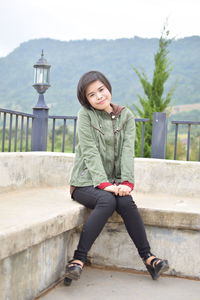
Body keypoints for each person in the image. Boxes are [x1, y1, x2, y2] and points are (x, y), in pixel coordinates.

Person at [65, 70, 169, 281]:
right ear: (86, 100)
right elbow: (89, 151)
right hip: (84, 182)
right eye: (92, 95)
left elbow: (127, 152)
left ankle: (149, 259)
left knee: (126, 202)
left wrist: (127, 183)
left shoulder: (126, 116)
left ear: (108, 87)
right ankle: (78, 259)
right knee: (107, 200)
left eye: (101, 90)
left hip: (112, 183)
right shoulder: (85, 115)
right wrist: (103, 184)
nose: (99, 96)